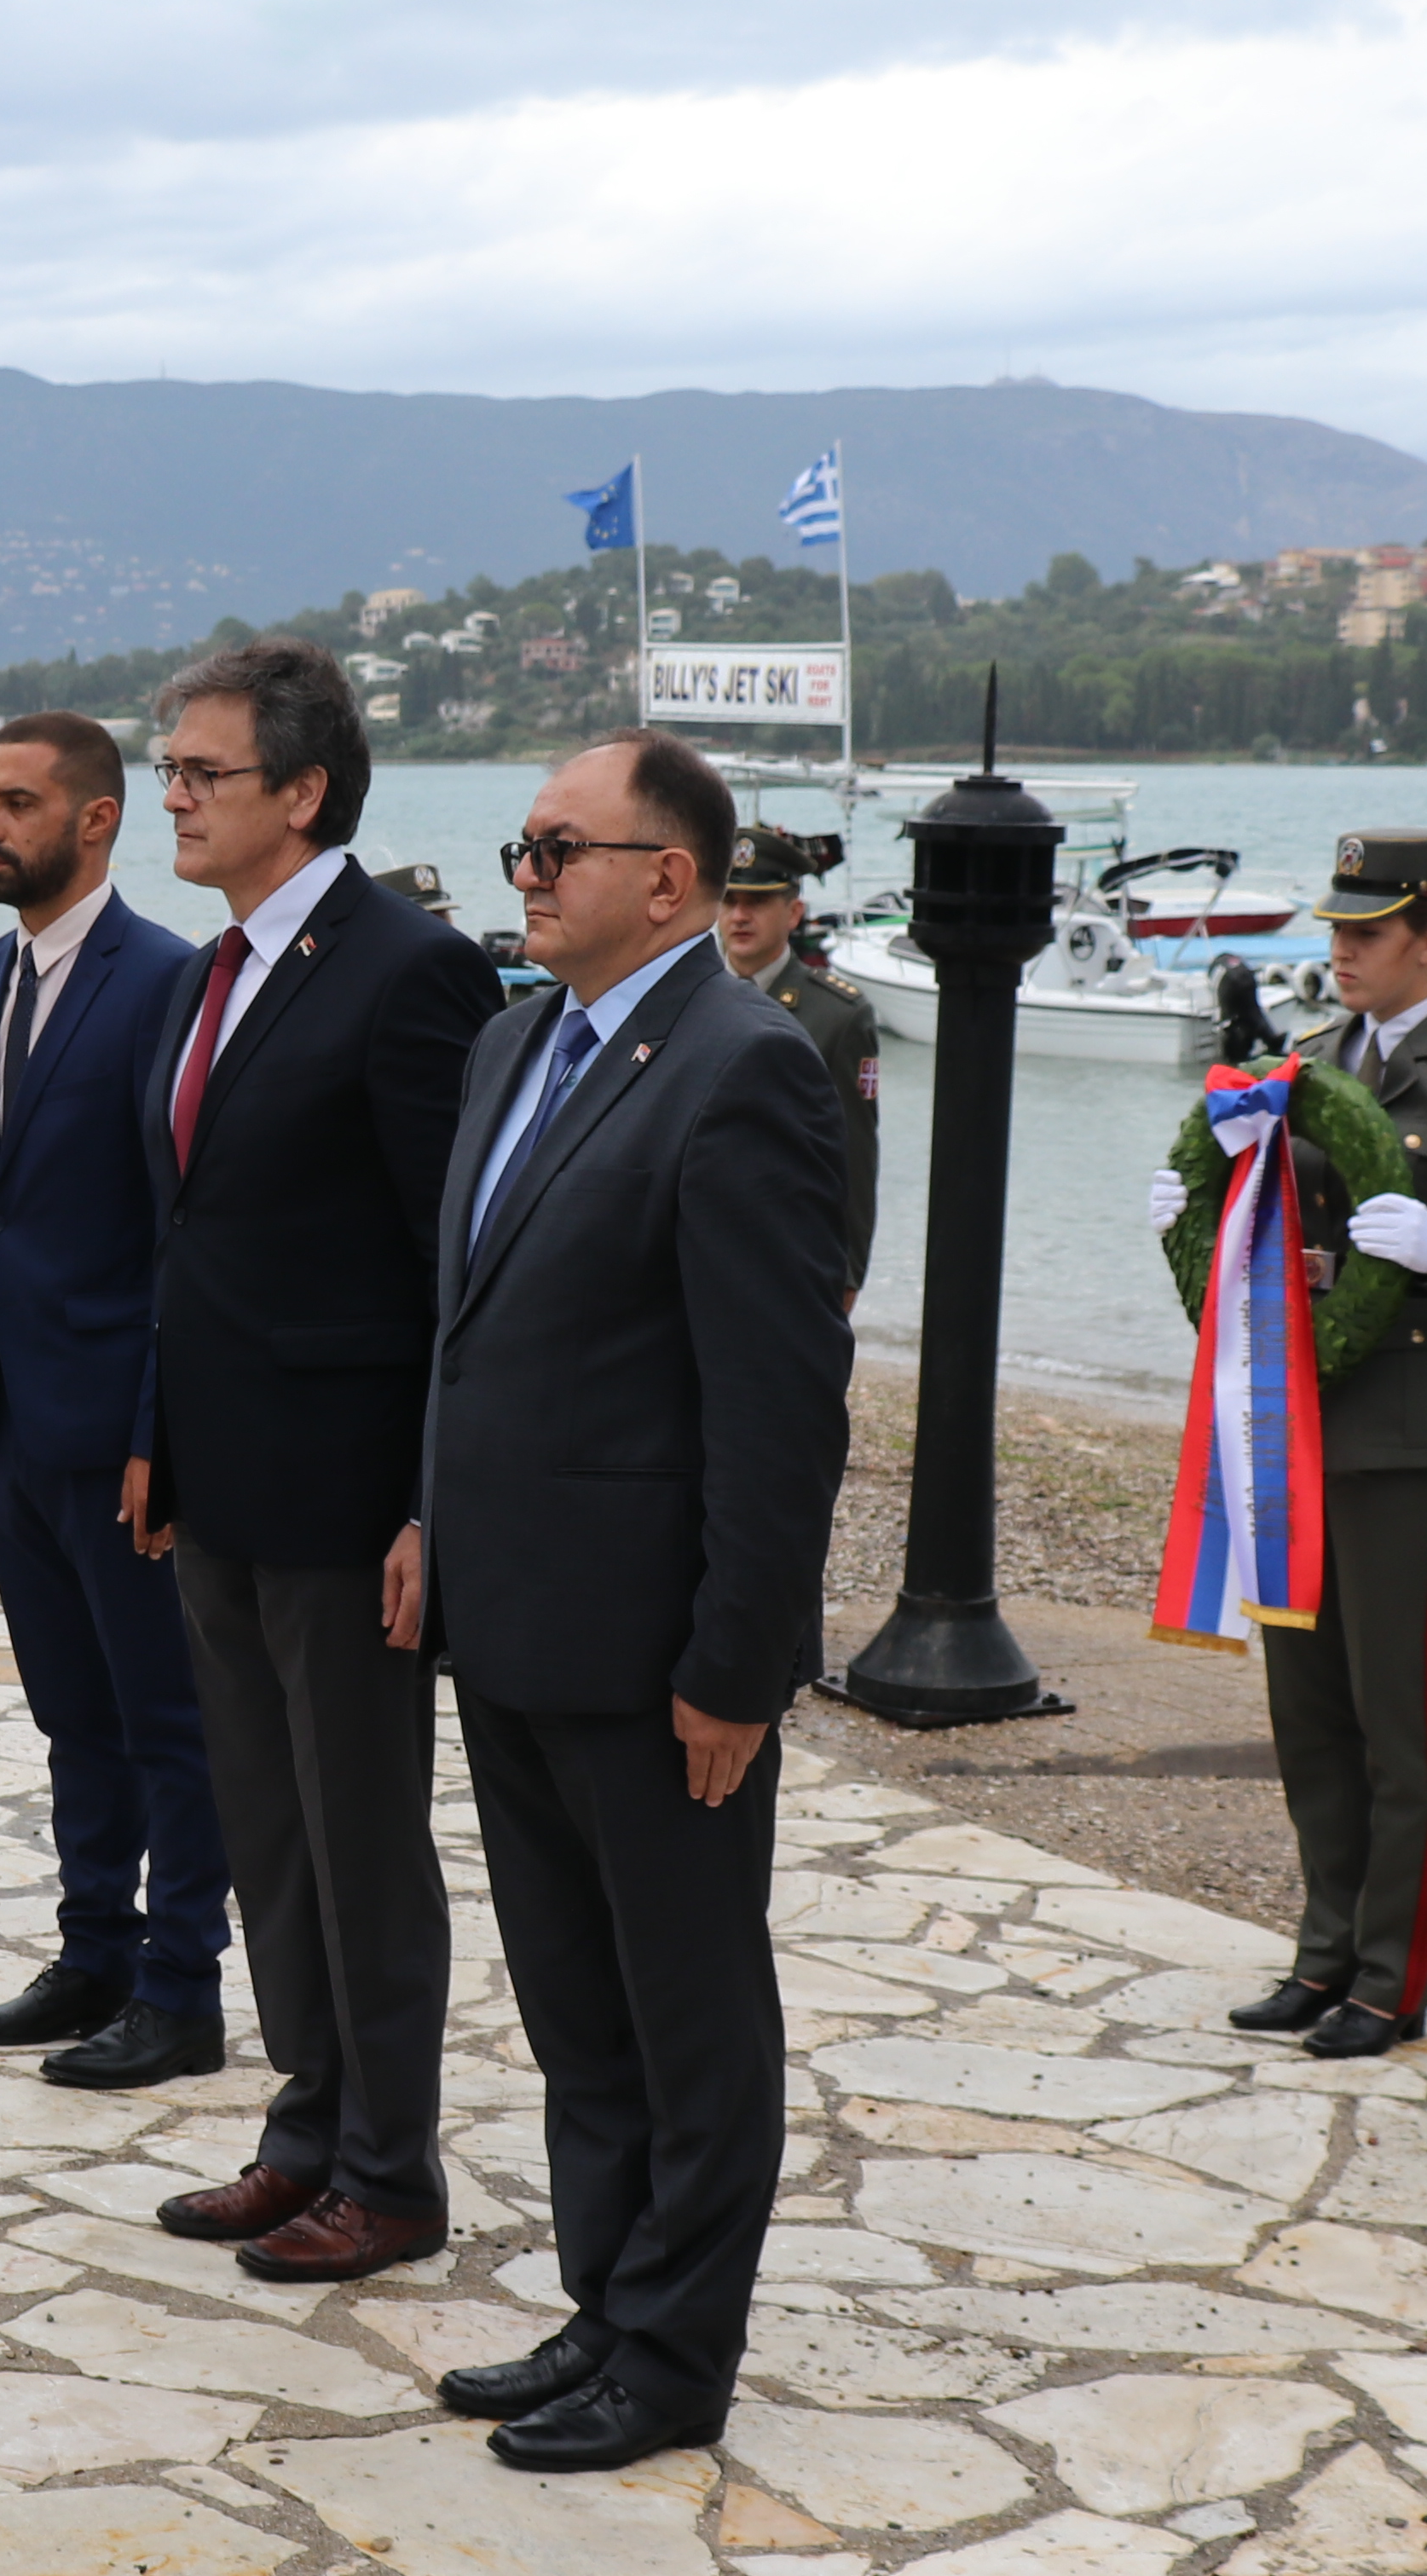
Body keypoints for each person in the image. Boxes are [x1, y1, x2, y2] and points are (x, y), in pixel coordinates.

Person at [396, 731, 845, 2469]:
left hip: (657, 1652)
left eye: (558, 847)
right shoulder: (517, 1042)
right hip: (510, 1619)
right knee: (577, 2005)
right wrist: (430, 1521)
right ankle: (607, 2298)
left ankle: (675, 2355)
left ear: (671, 877)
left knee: (687, 2009)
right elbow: (477, 1333)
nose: (525, 871)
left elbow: (779, 1402)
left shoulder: (747, 1068)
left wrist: (737, 1659)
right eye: (518, 844)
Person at [125, 637, 505, 2281]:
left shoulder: (406, 969)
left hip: (351, 1495)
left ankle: (393, 2168)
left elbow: (456, 1264)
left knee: (359, 1837)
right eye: (171, 770)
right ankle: (306, 2128)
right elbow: (190, 1233)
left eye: (204, 773)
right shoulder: (217, 970)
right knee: (267, 1829)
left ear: (304, 790)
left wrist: (434, 1497)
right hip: (218, 1478)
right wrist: (155, 1437)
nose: (176, 797)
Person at [1146, 833, 1427, 2056]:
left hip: (1416, 1434)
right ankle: (1324, 1952)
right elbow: (1274, 1232)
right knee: (1309, 1711)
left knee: (1400, 1712)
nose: (1342, 950)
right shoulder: (1311, 1064)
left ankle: (1394, 1975)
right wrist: (1198, 1211)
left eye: (1368, 931)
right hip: (1295, 1426)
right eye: (1335, 928)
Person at [0, 710, 226, 2090]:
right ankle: (91, 1951)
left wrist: (163, 1431)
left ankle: (182, 1987)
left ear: (96, 821)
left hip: (120, 1432)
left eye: (17, 803)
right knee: (70, 1711)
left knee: (167, 1715)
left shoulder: (165, 983)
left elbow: (186, 1235)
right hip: (7, 1417)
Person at [711, 823, 878, 1297]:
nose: (740, 916)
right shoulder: (685, 998)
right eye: (729, 901)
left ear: (794, 912)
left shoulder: (838, 1016)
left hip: (785, 1260)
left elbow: (854, 1154)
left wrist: (846, 1276)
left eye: (758, 902)